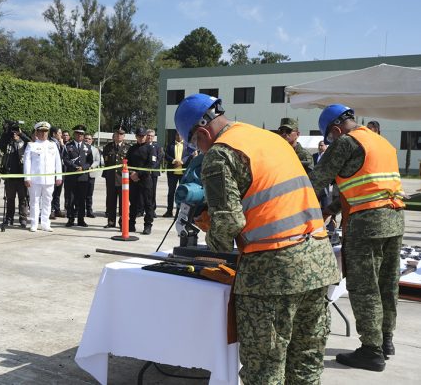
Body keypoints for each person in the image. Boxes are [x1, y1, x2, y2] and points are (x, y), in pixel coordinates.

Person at [174, 93, 340, 384]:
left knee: (264, 371)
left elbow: (229, 223)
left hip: (273, 274)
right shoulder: (269, 138)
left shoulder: (220, 153)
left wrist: (210, 244)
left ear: (201, 132)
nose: (198, 150)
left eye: (194, 144)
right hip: (319, 263)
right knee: (305, 365)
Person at [310, 104, 405, 372]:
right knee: (387, 284)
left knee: (365, 287)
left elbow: (316, 181)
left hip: (368, 223)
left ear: (336, 130)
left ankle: (371, 351)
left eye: (330, 137)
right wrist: (332, 209)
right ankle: (386, 340)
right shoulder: (380, 141)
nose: (331, 142)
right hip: (395, 218)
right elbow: (367, 182)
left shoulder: (346, 143)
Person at [23, 121, 63, 232]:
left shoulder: (52, 145)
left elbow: (57, 162)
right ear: (37, 132)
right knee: (34, 202)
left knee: (47, 201)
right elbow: (27, 162)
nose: (43, 134)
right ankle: (34, 224)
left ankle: (45, 223)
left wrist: (58, 176)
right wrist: (27, 177)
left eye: (45, 132)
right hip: (35, 180)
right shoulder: (32, 145)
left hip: (49, 179)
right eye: (41, 131)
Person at [0, 120, 30, 228]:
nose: (15, 133)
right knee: (10, 199)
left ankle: (23, 219)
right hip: (10, 174)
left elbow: (31, 142)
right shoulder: (8, 141)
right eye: (14, 131)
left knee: (23, 199)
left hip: (21, 174)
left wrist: (21, 135)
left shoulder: (24, 143)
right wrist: (6, 132)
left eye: (16, 131)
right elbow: (1, 146)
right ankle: (9, 218)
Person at [63, 125, 93, 227]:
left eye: (81, 134)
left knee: (81, 199)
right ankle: (70, 219)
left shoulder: (87, 147)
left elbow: (90, 161)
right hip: (71, 177)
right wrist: (75, 167)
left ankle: (81, 219)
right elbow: (65, 160)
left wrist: (83, 168)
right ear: (74, 134)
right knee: (70, 199)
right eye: (77, 133)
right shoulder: (68, 146)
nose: (79, 135)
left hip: (83, 178)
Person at [126, 127, 155, 235]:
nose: (141, 138)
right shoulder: (132, 148)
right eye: (139, 136)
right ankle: (131, 224)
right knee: (133, 203)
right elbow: (126, 163)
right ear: (136, 137)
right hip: (133, 179)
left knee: (148, 203)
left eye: (143, 136)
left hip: (145, 179)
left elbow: (151, 164)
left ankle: (148, 225)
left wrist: (138, 174)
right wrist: (131, 174)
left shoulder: (150, 148)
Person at [101, 126, 129, 228]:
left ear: (124, 136)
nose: (119, 136)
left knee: (123, 202)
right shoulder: (108, 147)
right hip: (111, 178)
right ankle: (111, 221)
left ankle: (122, 222)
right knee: (111, 201)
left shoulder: (128, 148)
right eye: (117, 134)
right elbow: (106, 162)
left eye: (121, 134)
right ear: (114, 135)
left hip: (123, 179)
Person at [163, 132, 192, 218]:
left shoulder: (187, 145)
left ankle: (180, 213)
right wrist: (174, 161)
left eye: (180, 135)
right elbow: (166, 155)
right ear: (175, 136)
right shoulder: (170, 145)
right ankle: (169, 211)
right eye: (177, 135)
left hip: (183, 174)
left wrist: (182, 161)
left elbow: (189, 155)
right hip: (172, 174)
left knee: (183, 193)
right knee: (171, 192)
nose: (178, 136)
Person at [145, 129, 163, 218]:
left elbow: (159, 159)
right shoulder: (142, 146)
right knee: (142, 192)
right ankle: (141, 210)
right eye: (148, 135)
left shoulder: (157, 147)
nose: (150, 137)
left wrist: (151, 168)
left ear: (154, 137)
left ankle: (152, 210)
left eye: (151, 136)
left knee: (152, 192)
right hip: (143, 173)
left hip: (153, 173)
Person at [49, 125, 66, 219]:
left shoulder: (59, 142)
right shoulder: (51, 143)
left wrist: (62, 144)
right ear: (54, 134)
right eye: (59, 133)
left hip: (60, 170)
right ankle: (50, 210)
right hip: (53, 170)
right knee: (52, 191)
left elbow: (64, 155)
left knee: (58, 192)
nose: (61, 135)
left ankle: (57, 209)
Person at [84, 133, 102, 218]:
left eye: (89, 139)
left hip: (91, 174)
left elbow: (97, 161)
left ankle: (89, 211)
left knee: (89, 194)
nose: (87, 140)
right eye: (86, 138)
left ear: (92, 140)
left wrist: (91, 166)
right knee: (81, 194)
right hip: (82, 174)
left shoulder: (95, 150)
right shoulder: (81, 148)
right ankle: (80, 210)